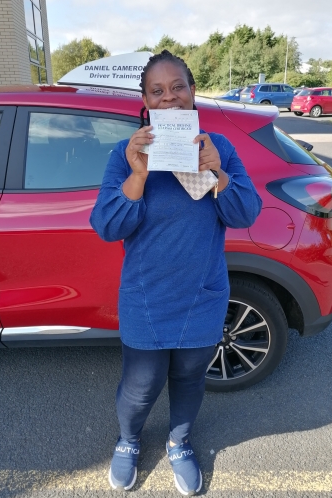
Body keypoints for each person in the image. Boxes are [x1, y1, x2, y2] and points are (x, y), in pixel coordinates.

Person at [90, 50, 262, 495]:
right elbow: (108, 226)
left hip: (202, 295)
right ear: (145, 103)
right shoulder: (125, 153)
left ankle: (179, 442)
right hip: (146, 297)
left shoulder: (219, 148)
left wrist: (218, 174)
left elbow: (246, 214)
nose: (169, 99)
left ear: (192, 94)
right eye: (157, 92)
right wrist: (137, 175)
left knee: (189, 379)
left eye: (178, 87)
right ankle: (129, 441)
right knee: (140, 386)